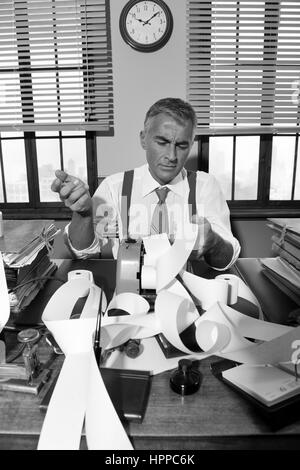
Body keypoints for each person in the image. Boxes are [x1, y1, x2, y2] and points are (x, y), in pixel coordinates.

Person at [51, 97, 240, 270]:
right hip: (128, 290)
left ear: (191, 145)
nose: (171, 156)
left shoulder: (205, 187)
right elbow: (83, 252)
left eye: (181, 145)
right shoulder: (115, 188)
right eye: (162, 142)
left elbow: (226, 260)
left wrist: (214, 243)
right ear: (143, 139)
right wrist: (83, 215)